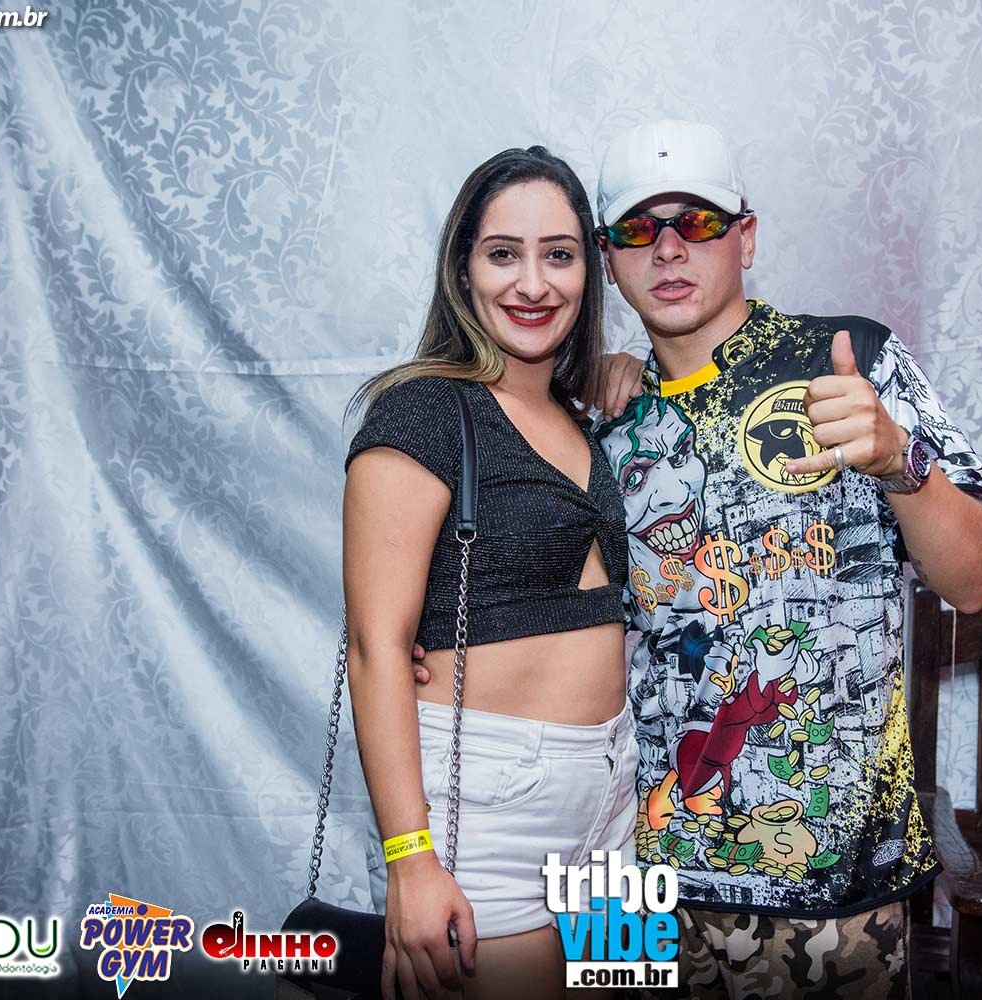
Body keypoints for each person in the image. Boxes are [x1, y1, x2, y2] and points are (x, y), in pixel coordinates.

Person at [584, 119, 982, 999]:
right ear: (607, 258)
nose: (668, 249)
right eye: (638, 229)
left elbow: (974, 581)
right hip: (638, 880)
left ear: (746, 237)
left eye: (698, 222)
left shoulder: (851, 361)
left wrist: (898, 461)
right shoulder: (599, 412)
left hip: (834, 893)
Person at [341, 145, 636, 1000]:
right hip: (489, 807)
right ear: (463, 267)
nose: (533, 283)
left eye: (559, 255)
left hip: (615, 799)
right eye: (504, 253)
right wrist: (410, 859)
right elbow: (374, 646)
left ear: (589, 271)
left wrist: (623, 373)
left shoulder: (585, 419)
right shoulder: (423, 411)